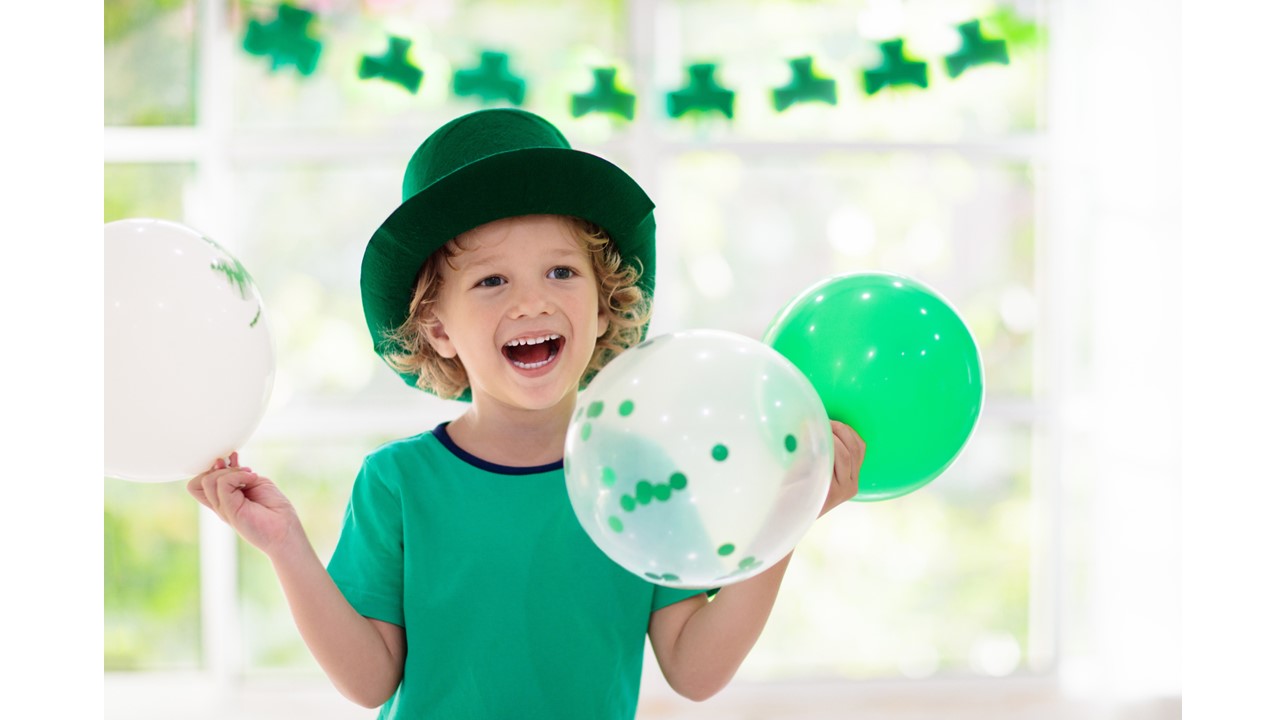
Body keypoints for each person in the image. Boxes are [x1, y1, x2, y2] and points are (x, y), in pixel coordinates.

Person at [188, 108, 865, 719]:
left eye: (561, 272)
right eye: (491, 280)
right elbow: (368, 681)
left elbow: (695, 669)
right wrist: (286, 546)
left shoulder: (644, 472)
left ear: (604, 306)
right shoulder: (398, 483)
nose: (532, 302)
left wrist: (787, 515)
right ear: (438, 329)